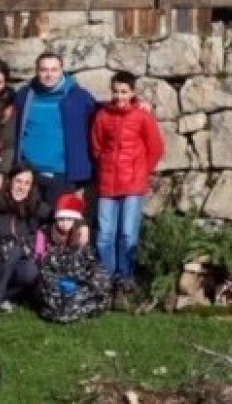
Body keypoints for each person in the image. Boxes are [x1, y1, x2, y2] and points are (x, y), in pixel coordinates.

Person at [90, 70, 165, 308]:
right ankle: (108, 278)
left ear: (132, 92)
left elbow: (155, 148)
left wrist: (142, 171)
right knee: (104, 236)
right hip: (108, 183)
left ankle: (126, 278)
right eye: (116, 91)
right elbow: (96, 145)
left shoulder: (142, 116)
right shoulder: (102, 115)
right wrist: (105, 165)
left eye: (124, 91)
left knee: (127, 234)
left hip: (133, 183)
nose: (120, 96)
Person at [15, 51, 97, 205]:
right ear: (37, 71)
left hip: (62, 174)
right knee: (28, 221)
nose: (49, 75)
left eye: (54, 70)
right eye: (44, 70)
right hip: (29, 172)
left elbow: (102, 115)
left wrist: (136, 103)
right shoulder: (25, 96)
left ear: (62, 70)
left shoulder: (78, 96)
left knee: (57, 222)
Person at [0, 165, 48, 312]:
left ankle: (2, 297)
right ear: (9, 182)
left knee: (30, 271)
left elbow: (55, 215)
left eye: (27, 183)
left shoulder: (32, 206)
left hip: (14, 259)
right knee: (13, 249)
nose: (22, 187)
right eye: (18, 181)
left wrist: (80, 225)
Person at [37, 194, 113, 323]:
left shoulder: (80, 235)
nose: (64, 223)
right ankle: (64, 308)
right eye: (61, 219)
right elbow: (40, 259)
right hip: (54, 281)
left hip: (77, 280)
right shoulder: (45, 232)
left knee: (100, 279)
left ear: (75, 220)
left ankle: (77, 304)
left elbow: (89, 263)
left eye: (69, 219)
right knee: (56, 299)